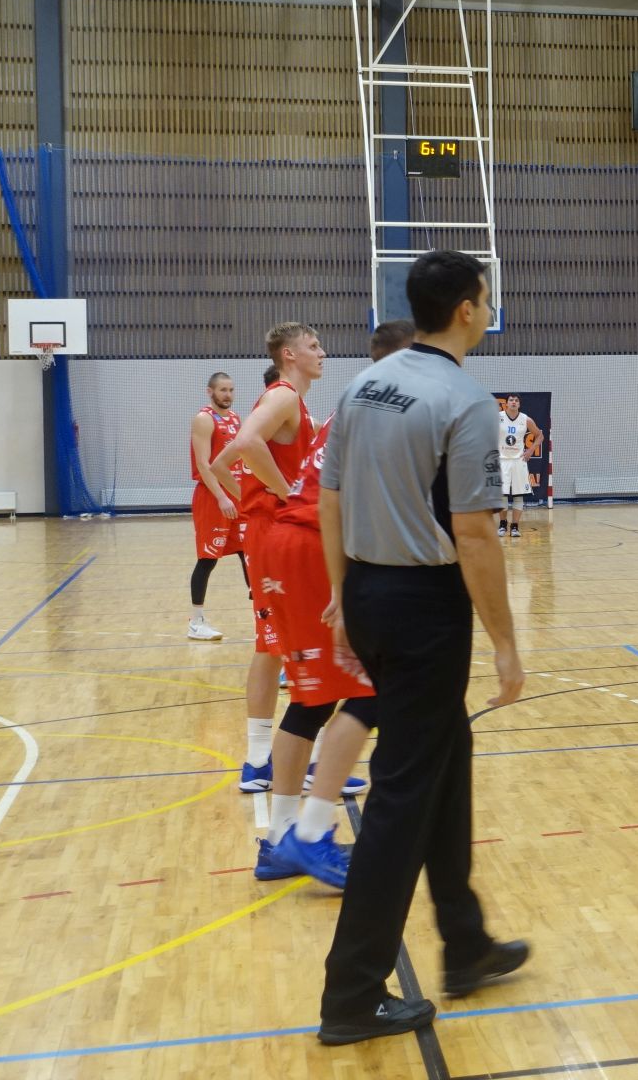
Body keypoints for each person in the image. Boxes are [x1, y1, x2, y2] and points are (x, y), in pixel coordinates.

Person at [315, 251, 527, 1044]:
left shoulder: (364, 384)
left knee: (448, 752)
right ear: (467, 309)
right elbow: (474, 534)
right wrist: (505, 644)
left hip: (369, 590)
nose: (489, 307)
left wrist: (343, 596)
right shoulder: (464, 400)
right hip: (424, 608)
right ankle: (352, 994)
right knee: (402, 795)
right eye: (486, 297)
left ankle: (465, 943)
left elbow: (331, 498)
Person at [251, 320, 414, 889]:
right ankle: (311, 832)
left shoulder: (357, 400)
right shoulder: (388, 407)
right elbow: (352, 503)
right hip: (309, 547)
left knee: (314, 698)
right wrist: (345, 592)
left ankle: (279, 840)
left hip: (293, 544)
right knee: (371, 689)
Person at [213, 324, 325, 794]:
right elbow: (244, 445)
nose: (322, 352)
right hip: (276, 534)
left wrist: (257, 498)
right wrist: (287, 495)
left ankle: (288, 759)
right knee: (280, 643)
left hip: (275, 530)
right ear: (289, 354)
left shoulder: (293, 403)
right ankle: (267, 760)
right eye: (313, 346)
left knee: (283, 643)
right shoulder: (281, 396)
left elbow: (222, 466)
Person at [187, 372, 248, 641]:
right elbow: (204, 464)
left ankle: (263, 616)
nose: (228, 395)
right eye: (223, 390)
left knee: (248, 553)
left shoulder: (235, 418)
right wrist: (222, 497)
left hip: (236, 495)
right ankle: (196, 621)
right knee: (208, 559)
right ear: (210, 392)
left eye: (231, 390)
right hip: (213, 497)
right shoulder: (204, 419)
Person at [495, 395, 542, 538]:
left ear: (519, 404)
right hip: (502, 460)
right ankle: (502, 524)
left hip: (518, 461)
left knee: (518, 495)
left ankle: (515, 526)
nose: (514, 402)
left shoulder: (525, 419)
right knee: (502, 495)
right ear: (507, 403)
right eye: (511, 400)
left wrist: (531, 449)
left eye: (516, 400)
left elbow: (540, 435)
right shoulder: (497, 417)